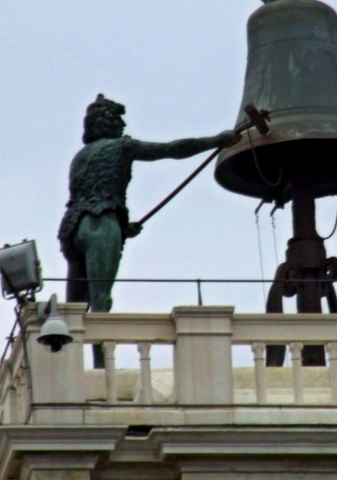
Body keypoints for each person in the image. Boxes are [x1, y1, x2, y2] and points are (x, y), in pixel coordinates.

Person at [58, 94, 238, 316]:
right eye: (118, 119)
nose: (123, 124)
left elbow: (90, 191)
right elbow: (172, 149)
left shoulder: (79, 157)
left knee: (73, 310)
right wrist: (215, 141)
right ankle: (102, 352)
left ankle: (65, 347)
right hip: (101, 221)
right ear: (108, 122)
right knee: (100, 301)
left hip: (71, 228)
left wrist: (122, 227)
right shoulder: (122, 146)